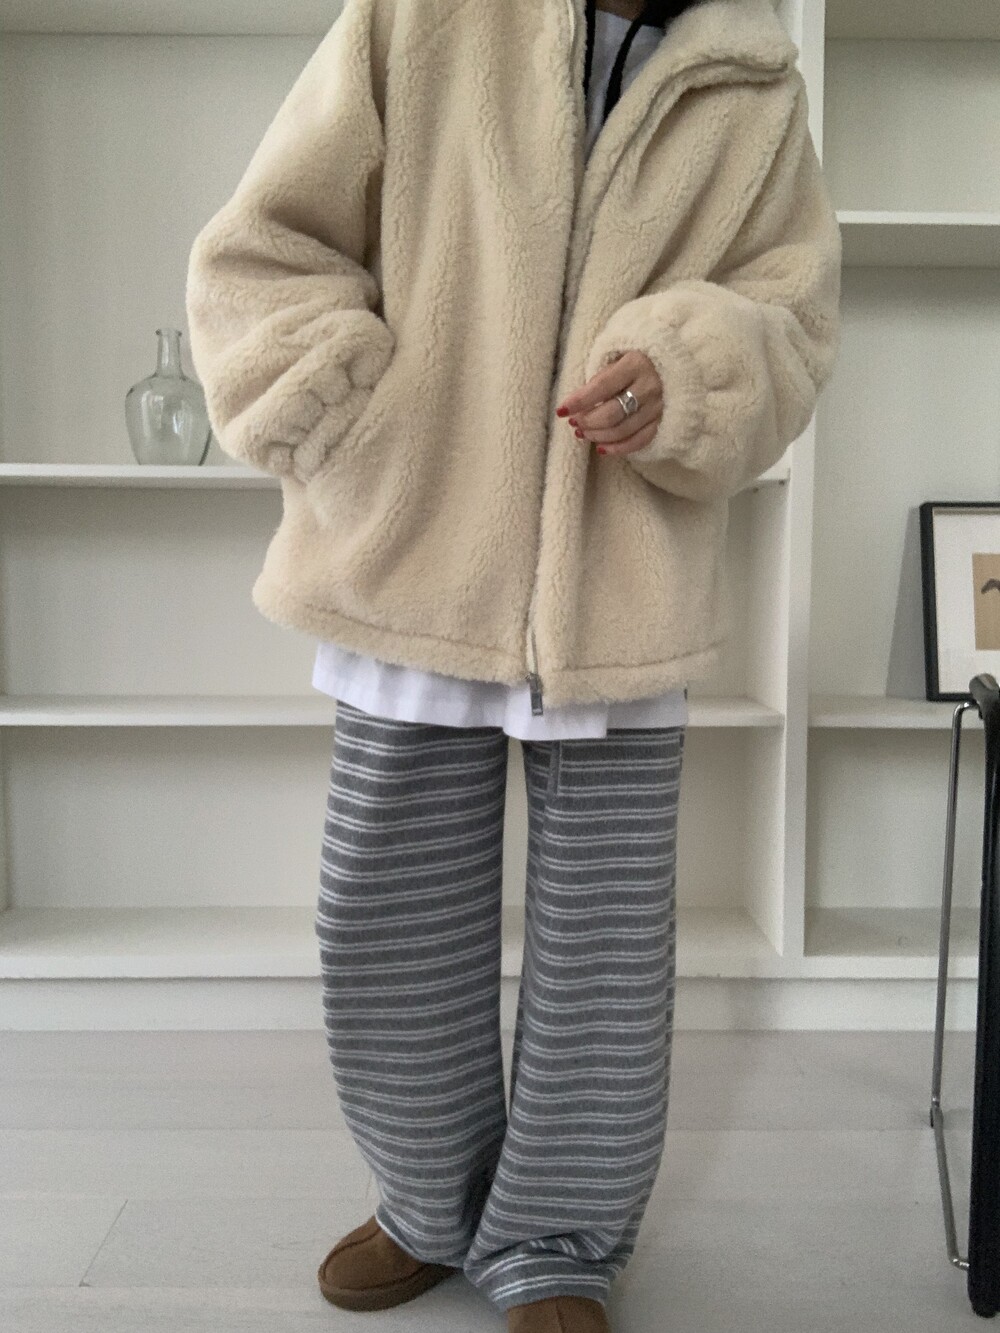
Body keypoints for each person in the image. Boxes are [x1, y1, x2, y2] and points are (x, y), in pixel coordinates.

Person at [184, 1, 842, 1330]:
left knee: (605, 940)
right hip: (416, 539)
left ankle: (557, 1239)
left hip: (621, 564)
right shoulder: (421, 16)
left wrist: (686, 371)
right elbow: (266, 243)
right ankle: (425, 1200)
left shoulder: (755, 81)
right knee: (388, 909)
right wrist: (351, 403)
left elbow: (793, 319)